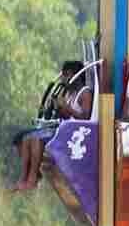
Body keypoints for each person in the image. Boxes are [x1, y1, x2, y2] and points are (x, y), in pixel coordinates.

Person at [13, 64, 92, 193]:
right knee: (27, 138)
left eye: (66, 75)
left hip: (74, 134)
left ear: (74, 75)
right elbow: (68, 116)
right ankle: (25, 177)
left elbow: (85, 118)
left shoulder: (85, 93)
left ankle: (32, 179)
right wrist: (58, 108)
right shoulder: (72, 94)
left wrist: (67, 107)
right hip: (64, 129)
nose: (63, 79)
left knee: (36, 139)